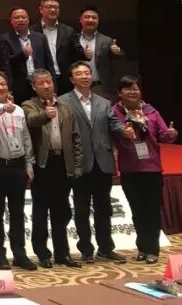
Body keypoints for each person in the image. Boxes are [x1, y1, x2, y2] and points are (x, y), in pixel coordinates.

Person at [60, 60, 131, 264]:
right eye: (79, 74)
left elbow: (113, 123)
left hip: (102, 162)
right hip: (79, 162)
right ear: (72, 79)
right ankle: (86, 249)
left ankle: (106, 249)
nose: (84, 76)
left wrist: (123, 130)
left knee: (104, 208)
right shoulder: (63, 101)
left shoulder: (103, 102)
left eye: (87, 73)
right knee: (81, 209)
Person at [112, 76, 178, 263]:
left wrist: (171, 134)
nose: (133, 92)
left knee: (152, 210)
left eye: (136, 88)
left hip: (152, 168)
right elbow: (112, 133)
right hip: (129, 169)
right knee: (137, 211)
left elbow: (164, 135)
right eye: (128, 89)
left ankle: (152, 250)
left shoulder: (151, 111)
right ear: (119, 93)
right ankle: (142, 247)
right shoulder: (115, 112)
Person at [22, 69, 83, 269]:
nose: (47, 86)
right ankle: (42, 253)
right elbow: (31, 120)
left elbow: (75, 138)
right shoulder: (29, 105)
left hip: (63, 164)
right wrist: (45, 115)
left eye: (49, 82)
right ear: (34, 86)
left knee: (62, 211)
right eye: (41, 83)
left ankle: (62, 253)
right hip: (42, 165)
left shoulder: (65, 107)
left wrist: (77, 165)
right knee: (40, 211)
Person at [0, 71, 37, 271]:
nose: (1, 87)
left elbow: (26, 138)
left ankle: (19, 253)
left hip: (18, 165)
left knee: (18, 212)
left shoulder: (18, 110)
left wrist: (29, 164)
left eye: (3, 84)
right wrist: (3, 107)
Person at [0, 7, 55, 103]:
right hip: (19, 85)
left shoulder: (40, 37)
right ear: (11, 21)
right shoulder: (5, 38)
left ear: (28, 19)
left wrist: (54, 88)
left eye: (23, 17)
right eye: (16, 17)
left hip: (40, 83)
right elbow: (6, 63)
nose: (20, 20)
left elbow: (49, 63)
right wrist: (23, 55)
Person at [71, 6, 124, 99]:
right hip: (77, 86)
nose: (91, 20)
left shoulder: (107, 40)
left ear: (98, 20)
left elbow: (119, 59)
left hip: (99, 87)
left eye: (94, 18)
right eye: (87, 17)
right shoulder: (73, 39)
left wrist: (117, 52)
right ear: (80, 20)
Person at [32, 0, 77, 94]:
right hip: (42, 78)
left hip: (65, 78)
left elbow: (75, 55)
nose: (53, 10)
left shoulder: (68, 30)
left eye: (56, 7)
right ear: (41, 9)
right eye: (48, 7)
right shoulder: (32, 31)